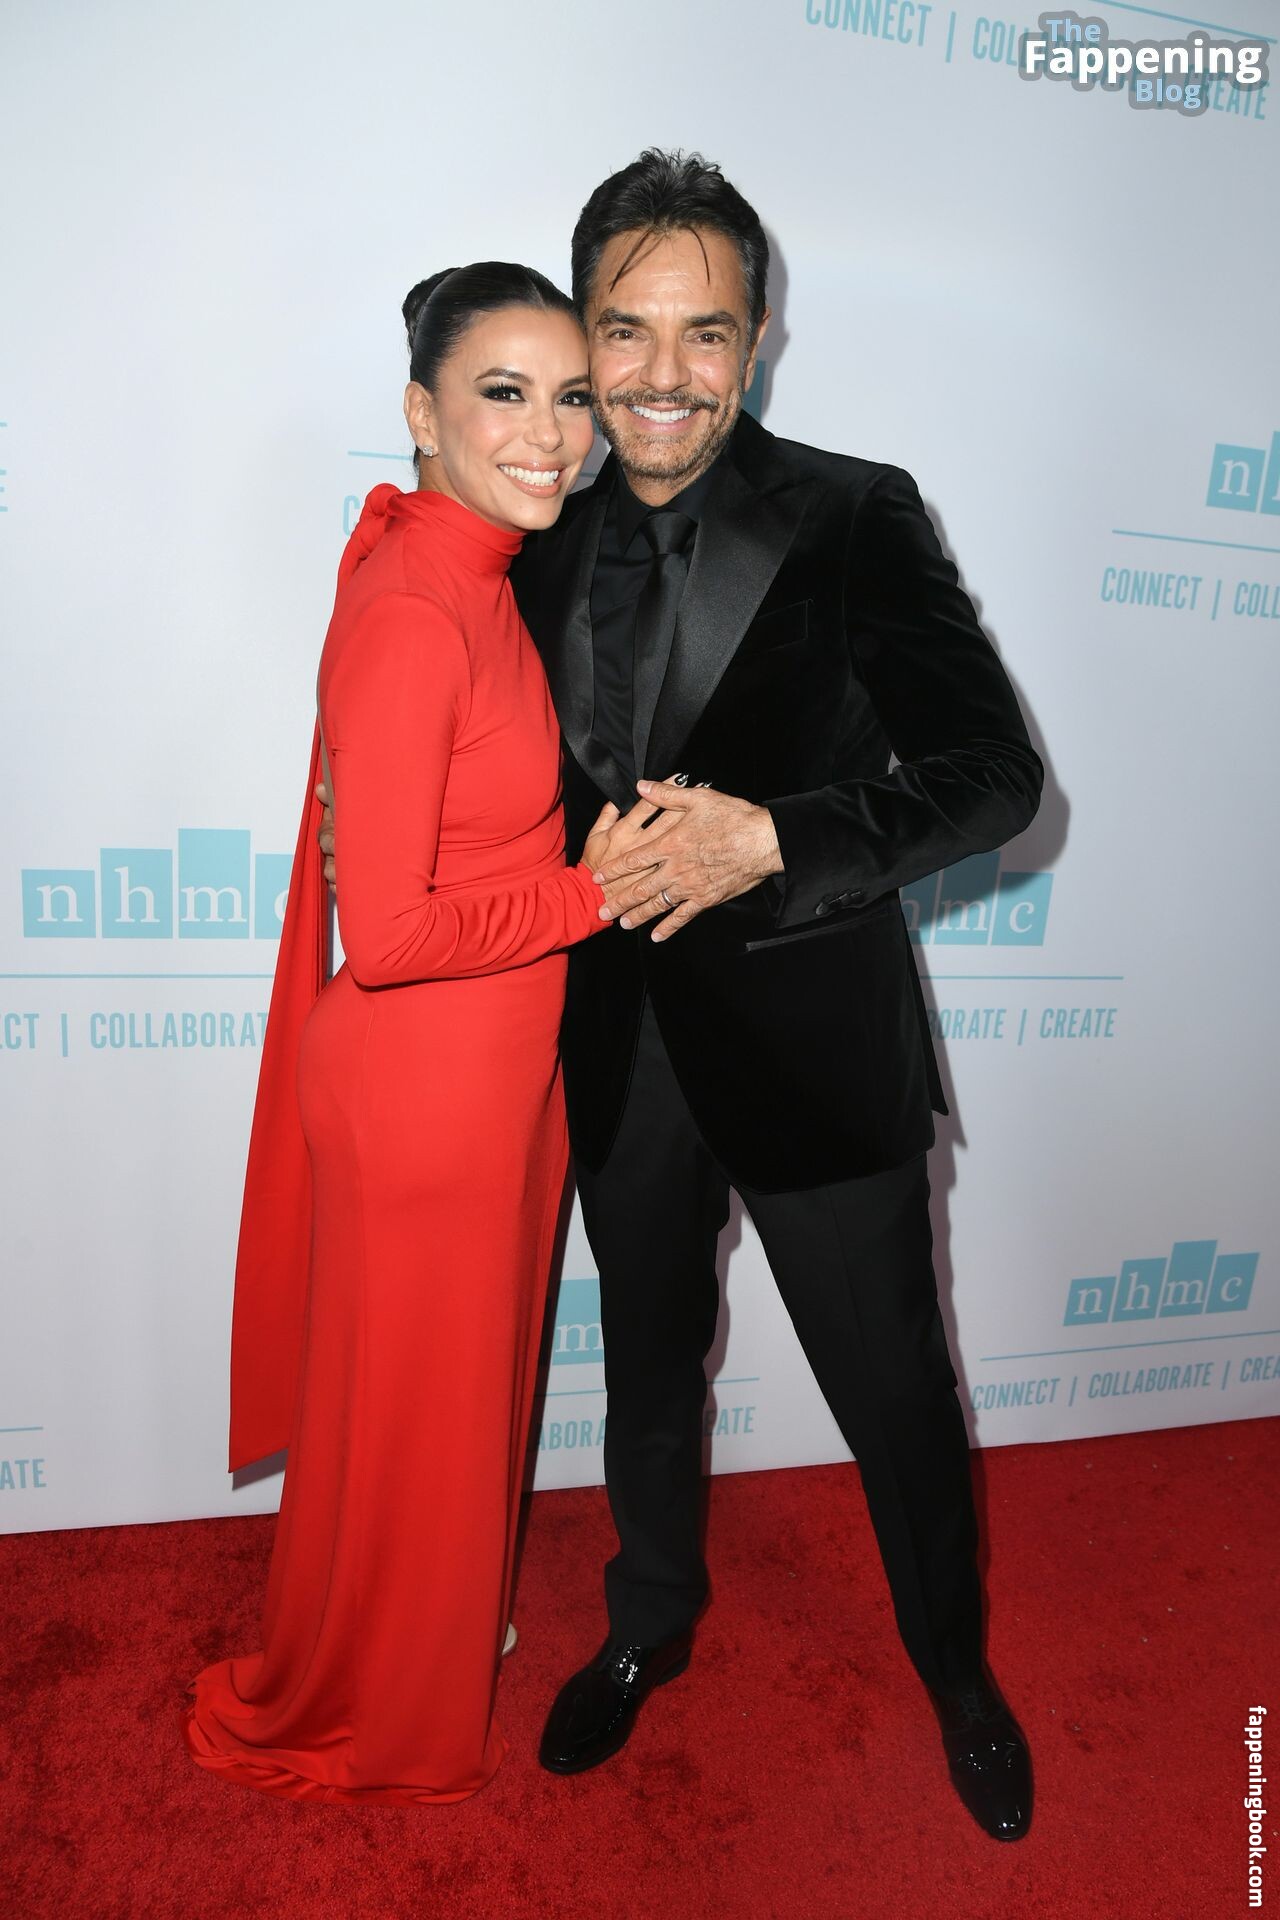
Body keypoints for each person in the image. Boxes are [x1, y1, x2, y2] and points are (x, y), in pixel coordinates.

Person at [514, 151, 1043, 1842]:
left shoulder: (854, 510)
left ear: (757, 342)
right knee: (646, 1367)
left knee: (895, 1388)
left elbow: (994, 777)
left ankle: (956, 1670)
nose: (664, 373)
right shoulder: (530, 527)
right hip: (617, 1052)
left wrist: (780, 838)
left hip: (818, 1046)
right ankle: (647, 1622)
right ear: (586, 334)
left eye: (707, 332)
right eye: (627, 328)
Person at [183, 262, 615, 1804]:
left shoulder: (474, 570)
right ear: (422, 415)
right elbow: (394, 935)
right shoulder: (420, 607)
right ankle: (373, 1695)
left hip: (493, 1071)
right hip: (426, 1086)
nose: (549, 433)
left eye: (571, 396)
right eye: (505, 394)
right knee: (419, 1410)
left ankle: (416, 1629)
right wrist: (597, 891)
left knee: (447, 1405)